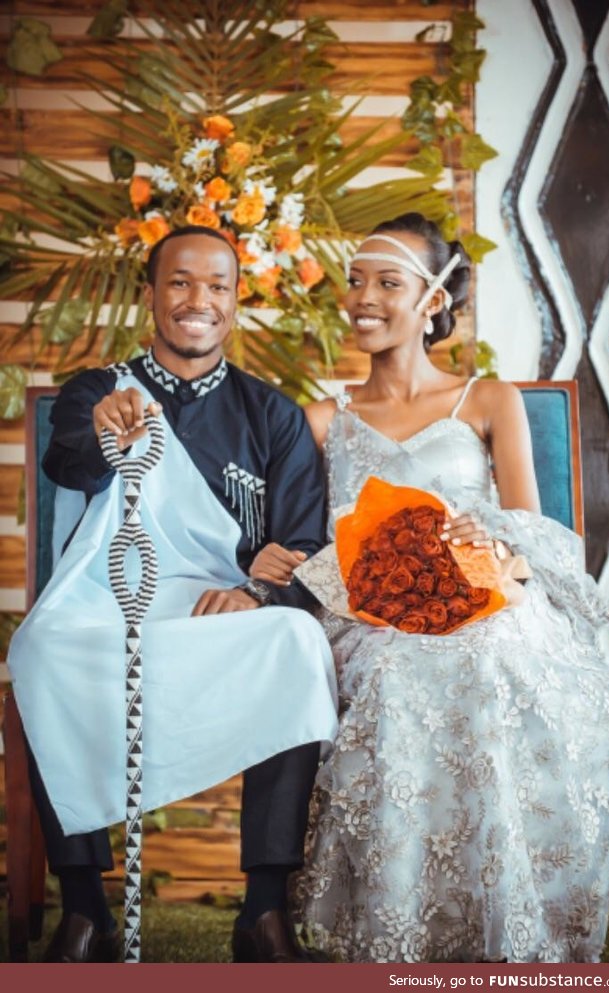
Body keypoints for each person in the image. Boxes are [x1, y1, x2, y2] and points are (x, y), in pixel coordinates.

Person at [248, 213, 609, 963]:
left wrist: (492, 546)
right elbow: (304, 545)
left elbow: (537, 540)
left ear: (432, 301)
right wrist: (277, 561)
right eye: (356, 281)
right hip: (372, 619)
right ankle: (402, 928)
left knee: (489, 660)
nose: (364, 297)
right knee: (396, 676)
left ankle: (505, 919)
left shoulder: (489, 401)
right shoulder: (325, 418)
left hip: (487, 603)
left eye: (388, 282)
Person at [7, 225, 339, 964]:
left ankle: (262, 911)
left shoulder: (273, 415)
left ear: (235, 300)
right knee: (40, 645)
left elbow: (306, 544)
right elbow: (69, 464)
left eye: (217, 285)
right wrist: (102, 432)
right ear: (151, 294)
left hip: (215, 613)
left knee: (298, 639)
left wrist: (255, 589)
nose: (199, 300)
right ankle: (86, 911)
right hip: (107, 601)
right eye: (181, 282)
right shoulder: (99, 389)